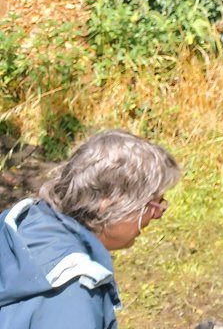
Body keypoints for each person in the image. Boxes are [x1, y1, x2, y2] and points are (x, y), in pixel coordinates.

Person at [0, 129, 180, 328]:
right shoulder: (73, 295)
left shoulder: (26, 224)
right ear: (109, 203)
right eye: (154, 205)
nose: (158, 215)